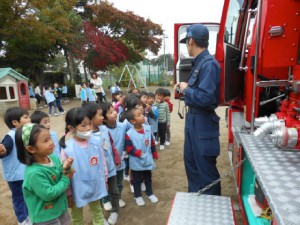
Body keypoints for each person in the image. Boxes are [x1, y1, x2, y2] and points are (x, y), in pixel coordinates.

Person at [177, 23, 221, 195]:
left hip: (203, 121)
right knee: (192, 165)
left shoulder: (209, 64)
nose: (186, 46)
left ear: (191, 41)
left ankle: (212, 212)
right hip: (193, 120)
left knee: (205, 171)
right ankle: (196, 202)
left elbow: (205, 98)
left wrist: (185, 88)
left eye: (186, 42)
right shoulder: (199, 63)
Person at [15, 123, 74, 225]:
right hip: (45, 217)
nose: (51, 142)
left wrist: (66, 168)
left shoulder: (53, 158)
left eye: (50, 138)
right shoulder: (34, 173)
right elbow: (49, 194)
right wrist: (65, 178)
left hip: (60, 209)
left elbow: (60, 173)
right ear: (31, 149)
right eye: (45, 141)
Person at [59, 107, 108, 225]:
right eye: (83, 125)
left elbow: (102, 162)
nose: (88, 128)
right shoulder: (67, 148)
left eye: (89, 124)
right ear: (71, 128)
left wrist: (105, 179)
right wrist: (68, 193)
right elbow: (64, 172)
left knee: (97, 212)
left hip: (95, 185)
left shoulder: (96, 141)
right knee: (76, 217)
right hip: (77, 188)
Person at [83, 102, 121, 225]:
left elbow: (111, 144)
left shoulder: (104, 129)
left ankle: (115, 211)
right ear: (90, 118)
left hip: (110, 169)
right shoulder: (87, 136)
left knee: (114, 191)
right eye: (99, 115)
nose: (102, 117)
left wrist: (116, 156)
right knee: (98, 195)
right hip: (96, 173)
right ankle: (100, 217)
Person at [0, 107, 31, 225]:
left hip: (26, 172)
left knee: (28, 196)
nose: (29, 119)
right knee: (19, 198)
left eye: (29, 116)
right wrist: (2, 151)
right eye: (26, 117)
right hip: (16, 176)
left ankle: (29, 215)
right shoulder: (10, 136)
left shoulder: (26, 132)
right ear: (15, 122)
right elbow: (5, 150)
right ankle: (22, 220)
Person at [124, 107, 158, 206]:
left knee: (148, 177)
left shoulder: (147, 128)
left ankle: (149, 193)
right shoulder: (129, 134)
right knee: (137, 179)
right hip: (136, 161)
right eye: (139, 115)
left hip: (147, 159)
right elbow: (129, 148)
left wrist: (154, 152)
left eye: (142, 114)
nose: (143, 116)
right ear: (133, 121)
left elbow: (151, 141)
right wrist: (137, 153)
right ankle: (137, 196)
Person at [101, 102, 127, 210]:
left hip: (119, 160)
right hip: (107, 163)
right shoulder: (102, 130)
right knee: (107, 183)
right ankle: (106, 199)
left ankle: (117, 197)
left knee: (119, 182)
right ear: (104, 119)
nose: (115, 113)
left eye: (114, 110)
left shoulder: (122, 126)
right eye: (110, 112)